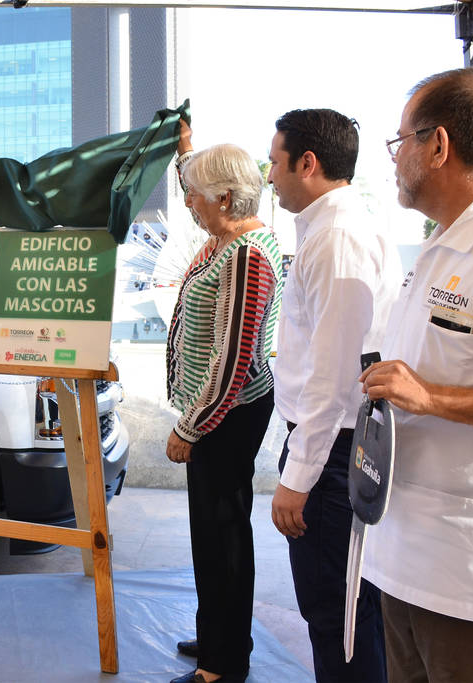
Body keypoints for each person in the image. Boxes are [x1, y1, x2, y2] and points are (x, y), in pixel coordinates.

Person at [360, 68, 473, 681]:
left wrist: (431, 396)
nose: (395, 158)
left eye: (400, 140)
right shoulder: (443, 243)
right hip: (405, 553)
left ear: (437, 146)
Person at [266, 109, 401, 682]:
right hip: (335, 448)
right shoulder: (332, 230)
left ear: (307, 163)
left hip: (333, 454)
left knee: (338, 617)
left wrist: (298, 478)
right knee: (345, 614)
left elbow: (332, 377)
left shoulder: (336, 239)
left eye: (274, 161)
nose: (269, 175)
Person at [166, 121, 284, 683]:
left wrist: (189, 427)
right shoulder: (225, 237)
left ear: (226, 199)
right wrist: (186, 152)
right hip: (221, 412)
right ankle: (219, 633)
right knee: (212, 534)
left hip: (226, 414)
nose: (189, 203)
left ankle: (223, 662)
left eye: (196, 195)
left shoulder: (246, 255)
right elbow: (197, 187)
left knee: (222, 536)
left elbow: (233, 359)